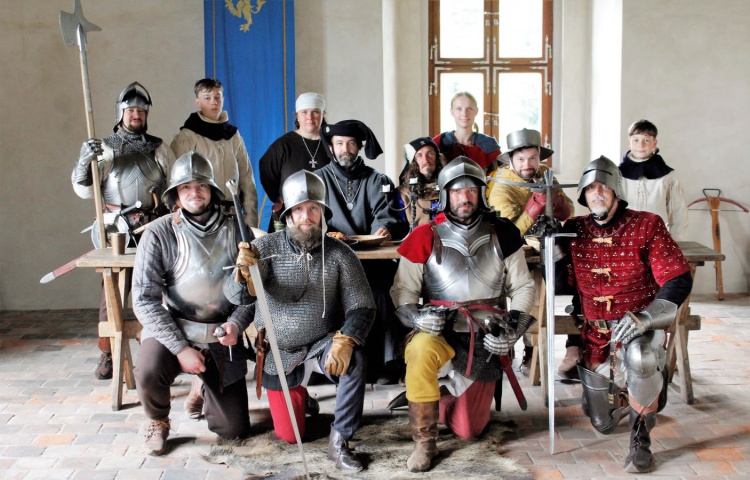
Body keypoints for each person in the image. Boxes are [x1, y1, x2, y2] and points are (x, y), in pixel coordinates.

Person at [390, 157, 536, 472]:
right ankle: (424, 442)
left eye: (471, 190)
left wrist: (513, 331)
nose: (464, 197)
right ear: (445, 194)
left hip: (485, 334)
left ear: (481, 193)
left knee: (469, 429)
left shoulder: (503, 233)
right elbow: (402, 292)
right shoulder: (424, 235)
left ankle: (437, 399)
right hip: (439, 329)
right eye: (457, 191)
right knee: (419, 350)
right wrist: (417, 318)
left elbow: (523, 287)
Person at [234, 170, 376, 472]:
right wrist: (243, 275)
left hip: (323, 343)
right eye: (299, 209)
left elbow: (363, 306)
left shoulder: (340, 254)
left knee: (355, 359)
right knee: (289, 435)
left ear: (323, 212)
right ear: (288, 214)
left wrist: (346, 339)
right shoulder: (264, 249)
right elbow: (239, 298)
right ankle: (303, 398)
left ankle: (340, 440)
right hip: (280, 352)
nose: (306, 216)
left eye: (313, 208)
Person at [561, 156, 693, 473]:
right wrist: (548, 242)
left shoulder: (648, 224)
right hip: (597, 335)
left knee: (641, 359)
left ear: (617, 191)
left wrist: (646, 318)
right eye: (590, 188)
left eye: (603, 187)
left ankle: (640, 440)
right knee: (602, 423)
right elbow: (559, 280)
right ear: (583, 194)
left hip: (640, 327)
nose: (597, 193)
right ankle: (641, 394)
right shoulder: (574, 229)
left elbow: (677, 277)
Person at [132, 151, 254, 456]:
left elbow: (253, 293)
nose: (194, 192)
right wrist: (180, 348)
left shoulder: (237, 229)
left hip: (221, 332)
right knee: (148, 369)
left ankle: (202, 386)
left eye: (200, 185)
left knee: (234, 431)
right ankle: (157, 420)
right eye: (185, 187)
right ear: (175, 194)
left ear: (212, 189)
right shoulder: (159, 233)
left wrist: (237, 324)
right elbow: (144, 300)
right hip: (174, 325)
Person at [71, 81, 172, 380]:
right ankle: (108, 353)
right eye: (130, 110)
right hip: (117, 228)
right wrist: (84, 161)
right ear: (120, 113)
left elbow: (172, 187)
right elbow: (84, 190)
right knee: (112, 292)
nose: (136, 115)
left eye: (141, 110)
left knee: (161, 288)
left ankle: (162, 352)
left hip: (152, 227)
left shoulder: (159, 147)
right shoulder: (104, 148)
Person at [317, 119, 409, 384]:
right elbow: (313, 217)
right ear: (331, 147)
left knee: (382, 291)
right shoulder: (318, 179)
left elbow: (385, 214)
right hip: (332, 261)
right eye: (339, 144)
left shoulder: (377, 180)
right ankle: (331, 364)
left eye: (350, 144)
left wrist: (384, 228)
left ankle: (386, 364)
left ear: (358, 147)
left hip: (372, 262)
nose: (345, 149)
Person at [487, 128, 579, 378]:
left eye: (532, 158)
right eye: (521, 159)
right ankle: (529, 350)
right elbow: (509, 234)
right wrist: (534, 208)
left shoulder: (545, 175)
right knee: (529, 295)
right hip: (516, 255)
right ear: (511, 160)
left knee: (582, 278)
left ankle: (577, 344)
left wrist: (559, 205)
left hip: (550, 248)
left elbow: (568, 209)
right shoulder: (501, 187)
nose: (527, 164)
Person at [171, 78, 258, 228]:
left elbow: (247, 179)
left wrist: (251, 223)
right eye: (207, 98)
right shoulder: (188, 137)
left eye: (217, 97)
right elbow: (177, 182)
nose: (214, 102)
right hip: (201, 219)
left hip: (233, 217)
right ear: (198, 102)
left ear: (223, 100)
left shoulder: (233, 136)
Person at [259, 92, 329, 231]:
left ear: (322, 114)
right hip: (290, 215)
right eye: (304, 112)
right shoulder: (283, 145)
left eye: (315, 112)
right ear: (297, 115)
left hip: (324, 215)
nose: (309, 117)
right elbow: (266, 170)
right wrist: (278, 198)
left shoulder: (332, 144)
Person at [619, 119, 689, 240]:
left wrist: (677, 242)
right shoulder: (617, 174)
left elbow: (679, 213)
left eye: (646, 140)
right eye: (636, 140)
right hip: (625, 237)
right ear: (629, 142)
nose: (641, 145)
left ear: (654, 143)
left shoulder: (667, 176)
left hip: (657, 237)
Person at [433, 92, 501, 197]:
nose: (464, 114)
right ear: (452, 112)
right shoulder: (439, 143)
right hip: (445, 199)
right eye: (459, 109)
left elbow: (500, 180)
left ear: (476, 111)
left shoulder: (489, 145)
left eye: (469, 109)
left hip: (483, 199)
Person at [395, 136, 445, 229]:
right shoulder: (403, 194)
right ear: (413, 162)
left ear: (437, 158)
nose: (426, 160)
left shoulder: (449, 189)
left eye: (430, 153)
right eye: (419, 155)